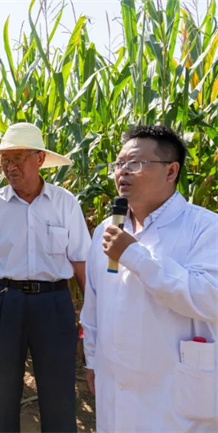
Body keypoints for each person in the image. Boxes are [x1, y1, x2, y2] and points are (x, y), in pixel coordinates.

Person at [81, 125, 218, 432]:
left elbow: (210, 297)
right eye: (119, 164)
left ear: (171, 171)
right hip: (114, 383)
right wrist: (92, 360)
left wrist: (134, 255)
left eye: (136, 163)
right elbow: (93, 305)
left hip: (174, 395)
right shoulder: (106, 230)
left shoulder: (206, 228)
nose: (122, 172)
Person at [0, 123, 90, 432]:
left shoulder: (65, 203)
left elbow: (81, 262)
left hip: (54, 303)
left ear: (40, 159)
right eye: (5, 160)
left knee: (58, 393)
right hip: (5, 301)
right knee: (5, 390)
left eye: (18, 158)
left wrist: (91, 314)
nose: (10, 167)